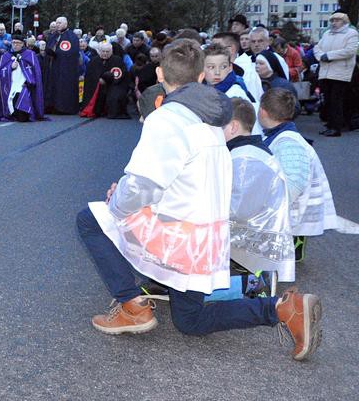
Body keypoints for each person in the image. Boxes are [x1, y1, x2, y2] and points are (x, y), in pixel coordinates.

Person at [74, 40, 322, 361]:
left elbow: (144, 184)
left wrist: (116, 204)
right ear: (202, 76)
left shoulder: (167, 119)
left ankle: (132, 305)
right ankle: (282, 308)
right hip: (207, 240)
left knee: (91, 219)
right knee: (190, 321)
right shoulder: (211, 120)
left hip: (178, 235)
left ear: (160, 73)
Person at [259, 88, 338, 262]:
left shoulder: (288, 142)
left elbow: (294, 184)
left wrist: (271, 208)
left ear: (262, 111)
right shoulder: (282, 136)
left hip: (293, 209)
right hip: (293, 207)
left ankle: (291, 241)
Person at [223, 98, 295, 283]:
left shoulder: (246, 158)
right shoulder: (247, 150)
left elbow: (239, 210)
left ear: (232, 127)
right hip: (258, 233)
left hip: (258, 242)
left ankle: (249, 284)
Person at [312, 11, 358, 137]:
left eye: (337, 20)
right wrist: (321, 56)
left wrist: (329, 56)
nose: (334, 22)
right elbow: (317, 48)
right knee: (328, 100)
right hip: (325, 72)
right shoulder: (327, 33)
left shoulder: (352, 33)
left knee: (336, 101)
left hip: (340, 73)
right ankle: (331, 125)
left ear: (344, 22)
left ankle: (336, 127)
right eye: (332, 20)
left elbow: (349, 51)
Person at [0, 37, 45, 122]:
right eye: (14, 42)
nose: (15, 45)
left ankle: (24, 113)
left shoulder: (30, 54)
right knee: (11, 100)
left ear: (22, 44)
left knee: (23, 113)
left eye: (18, 43)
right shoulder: (5, 56)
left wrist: (28, 82)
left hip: (25, 84)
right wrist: (10, 67)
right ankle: (11, 113)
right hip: (10, 84)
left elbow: (35, 71)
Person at [79, 42, 130, 119]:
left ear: (111, 51)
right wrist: (98, 80)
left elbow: (121, 75)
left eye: (107, 51)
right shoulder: (93, 61)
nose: (105, 53)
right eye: (103, 51)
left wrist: (108, 80)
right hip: (97, 85)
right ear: (99, 51)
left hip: (113, 85)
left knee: (115, 94)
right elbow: (89, 76)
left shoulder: (118, 60)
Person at [212, 31, 263, 103]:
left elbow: (252, 104)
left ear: (231, 49)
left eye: (216, 47)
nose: (211, 51)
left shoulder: (248, 73)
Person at [44, 16, 81, 114]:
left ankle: (63, 108)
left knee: (63, 87)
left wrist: (57, 53)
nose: (57, 25)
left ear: (66, 24)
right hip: (52, 66)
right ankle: (50, 106)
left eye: (59, 23)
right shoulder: (53, 35)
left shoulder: (72, 37)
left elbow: (72, 52)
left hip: (65, 68)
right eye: (56, 23)